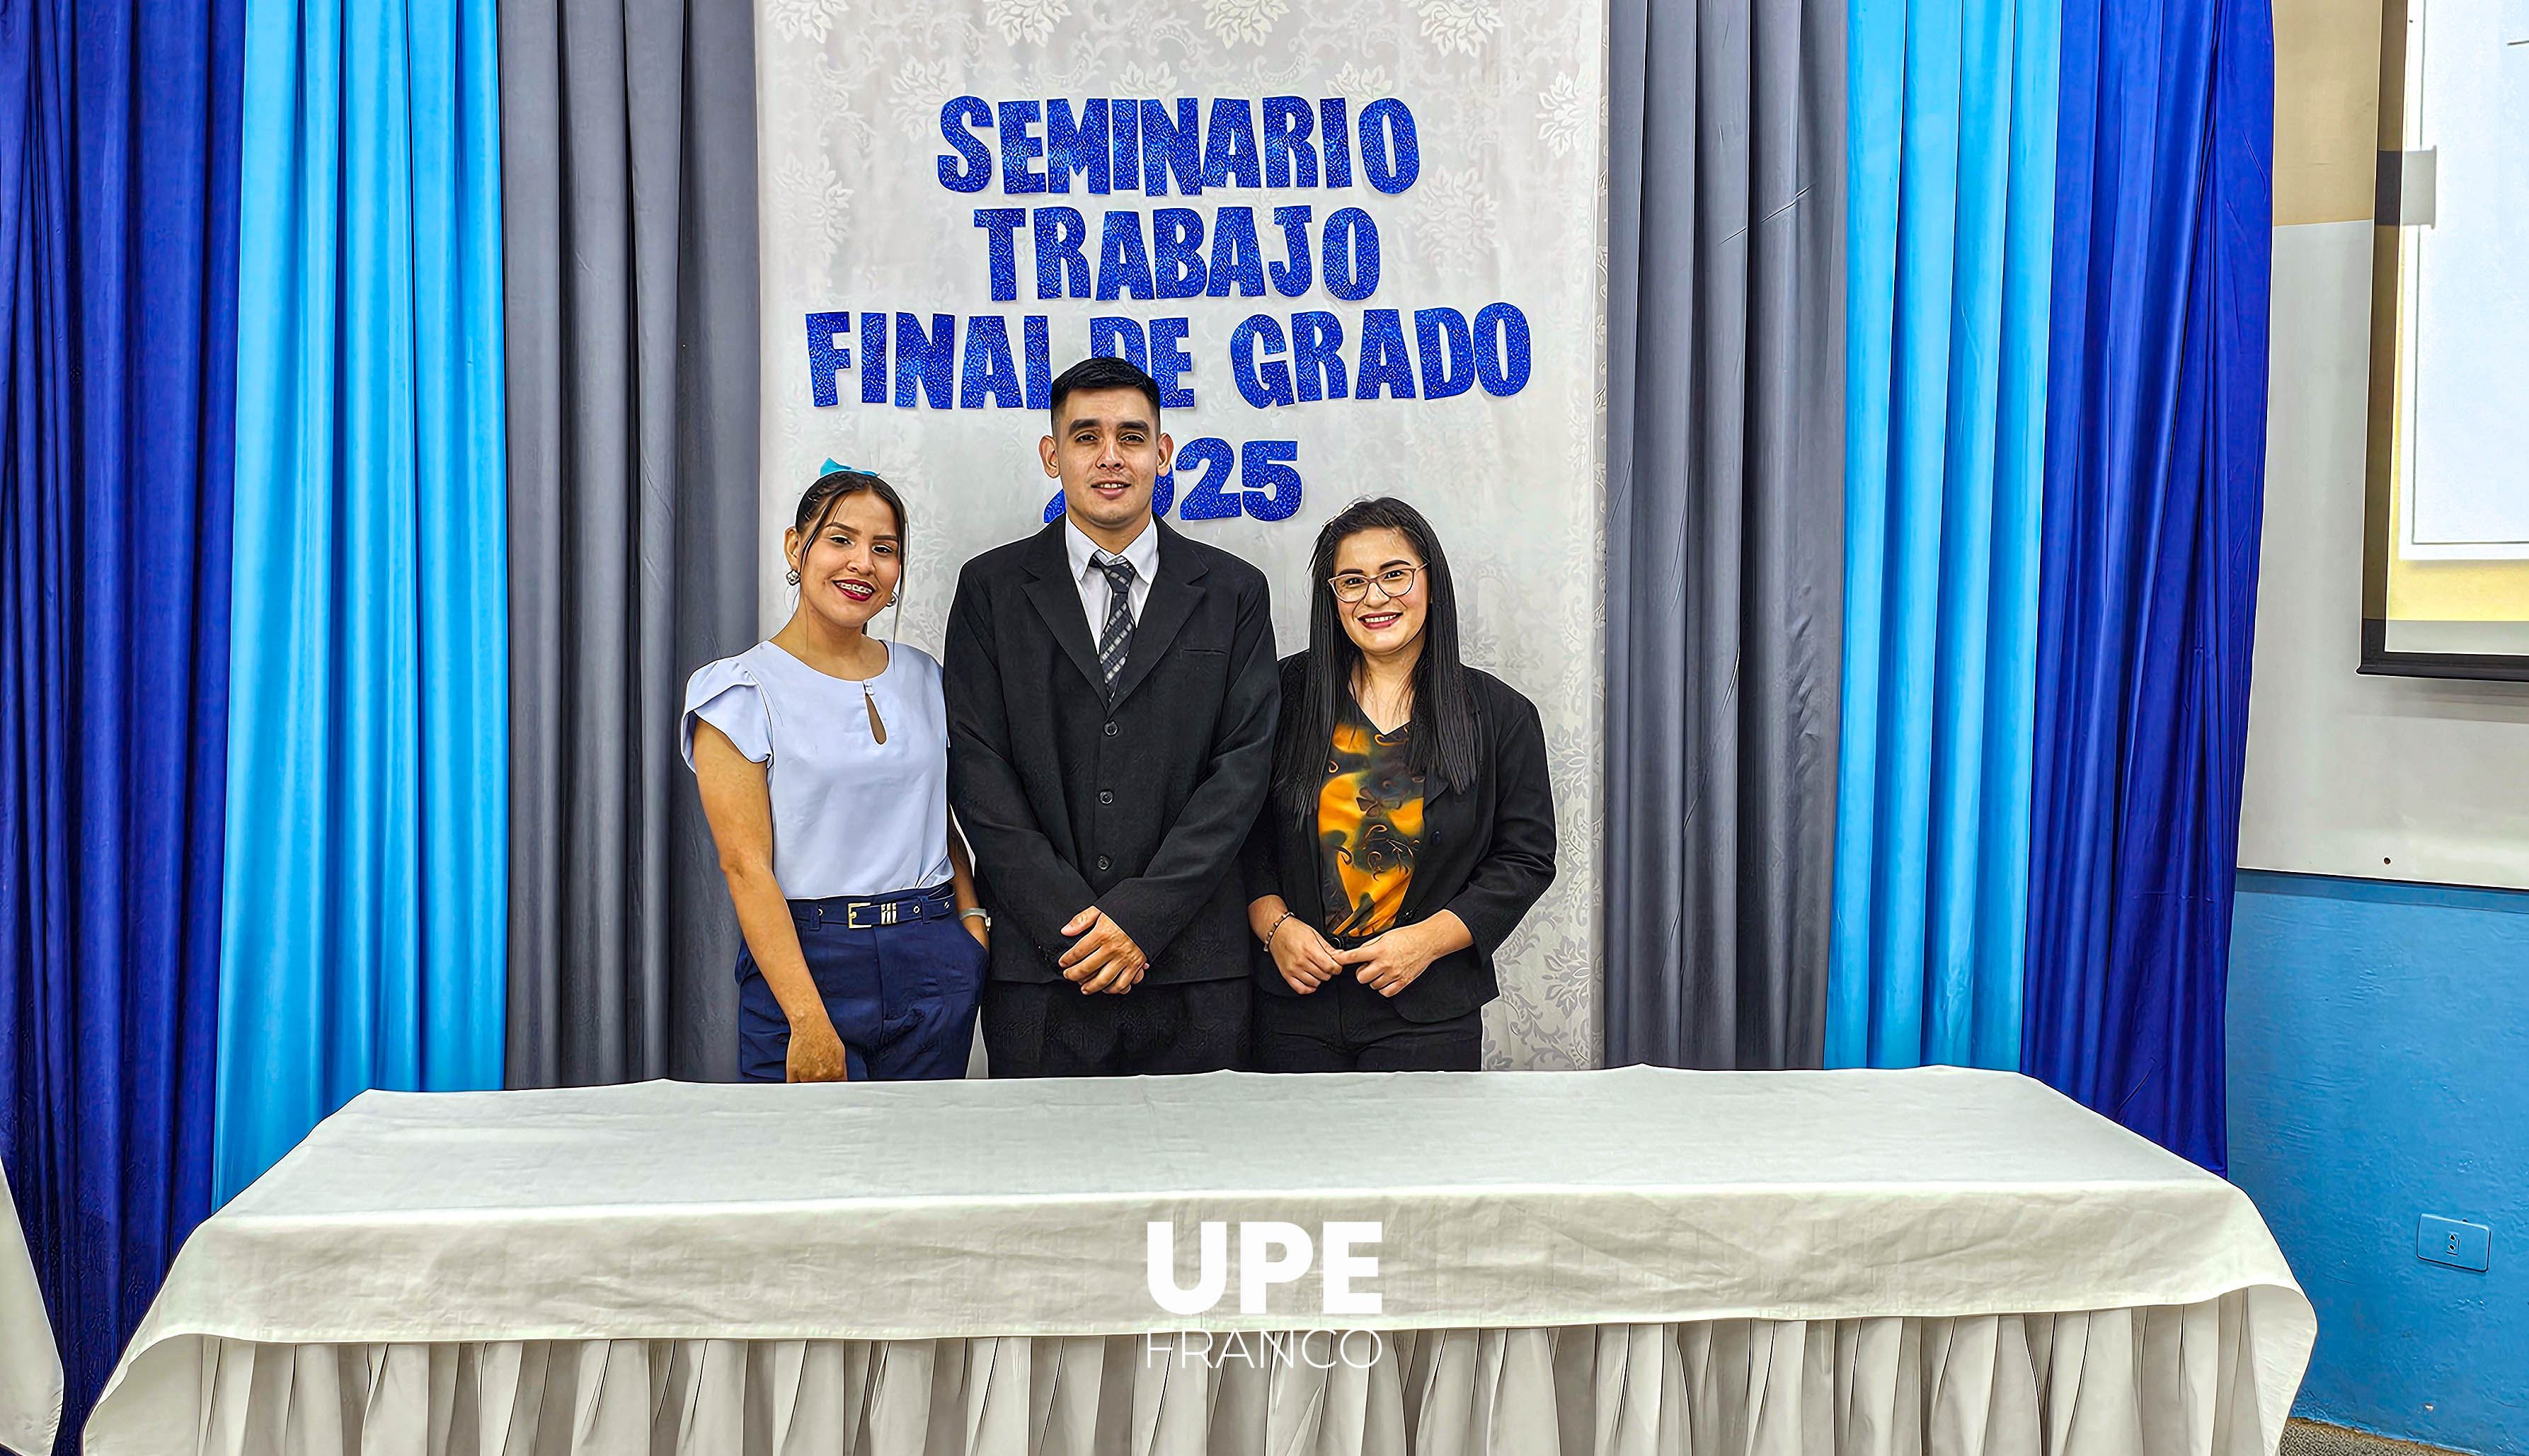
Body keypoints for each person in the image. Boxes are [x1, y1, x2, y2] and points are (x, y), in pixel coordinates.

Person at [944, 356, 1279, 1076]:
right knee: (1045, 1181)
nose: (1109, 457)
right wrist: (1073, 924)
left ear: (1162, 452)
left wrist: (1141, 919)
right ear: (1051, 453)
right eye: (1086, 435)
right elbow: (978, 769)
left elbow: (1242, 772)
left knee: (1201, 1185)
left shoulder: (1234, 591)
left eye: (1131, 436)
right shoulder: (990, 588)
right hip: (1044, 968)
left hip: (1196, 969)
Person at [683, 469, 988, 1082]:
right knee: (809, 1170)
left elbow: (938, 813)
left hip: (930, 951)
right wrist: (807, 1020)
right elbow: (745, 866)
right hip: (808, 959)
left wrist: (971, 926)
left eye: (884, 548)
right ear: (797, 547)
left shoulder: (926, 676)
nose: (862, 564)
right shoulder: (740, 689)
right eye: (840, 540)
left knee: (924, 1167)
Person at [1241, 497, 1557, 1072]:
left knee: (1419, 1164)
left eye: (1394, 575)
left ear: (1431, 584)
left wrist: (1426, 942)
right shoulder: (1281, 695)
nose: (1375, 597)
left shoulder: (1500, 715)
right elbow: (1242, 833)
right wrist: (1275, 927)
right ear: (1331, 598)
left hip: (1427, 1010)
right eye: (1352, 581)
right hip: (1293, 1007)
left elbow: (1525, 859)